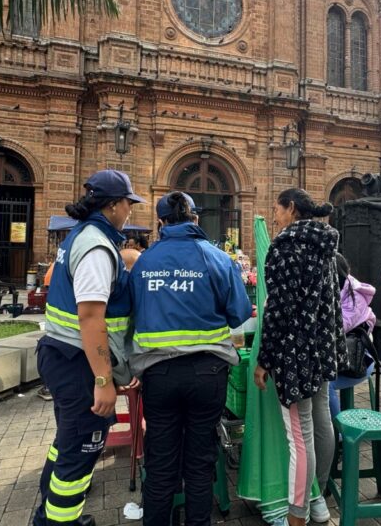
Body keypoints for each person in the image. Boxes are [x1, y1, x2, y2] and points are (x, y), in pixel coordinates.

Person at [129, 191, 251, 526]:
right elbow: (239, 312)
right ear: (195, 218)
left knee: (160, 465)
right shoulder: (217, 258)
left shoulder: (144, 262)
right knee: (199, 464)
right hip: (207, 374)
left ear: (161, 222)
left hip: (159, 375)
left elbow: (127, 312)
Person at [33, 169, 145, 526]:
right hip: (78, 363)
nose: (130, 210)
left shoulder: (81, 235)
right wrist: (103, 380)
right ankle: (60, 521)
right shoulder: (97, 247)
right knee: (82, 451)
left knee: (67, 439)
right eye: (128, 203)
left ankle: (47, 514)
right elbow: (91, 317)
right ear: (112, 205)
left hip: (61, 355)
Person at [253, 188, 345, 526]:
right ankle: (318, 496)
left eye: (277, 209)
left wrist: (264, 359)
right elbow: (331, 304)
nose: (275, 216)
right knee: (321, 420)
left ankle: (297, 514)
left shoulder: (285, 246)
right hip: (322, 347)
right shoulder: (325, 245)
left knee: (300, 437)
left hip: (295, 354)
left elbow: (278, 309)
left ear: (291, 208)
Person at [328, 253, 376, 419]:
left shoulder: (355, 297)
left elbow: (336, 327)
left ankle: (338, 430)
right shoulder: (334, 290)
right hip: (337, 359)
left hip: (358, 361)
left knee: (324, 385)